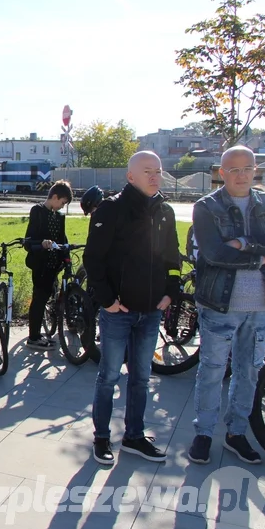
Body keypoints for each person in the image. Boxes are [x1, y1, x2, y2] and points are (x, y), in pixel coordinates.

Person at [83, 151, 180, 465]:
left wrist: (171, 293)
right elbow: (93, 259)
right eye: (147, 171)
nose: (155, 176)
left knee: (141, 378)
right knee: (108, 377)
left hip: (151, 312)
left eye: (158, 171)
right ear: (131, 177)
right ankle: (101, 438)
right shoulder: (111, 209)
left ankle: (134, 436)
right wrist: (108, 300)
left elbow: (173, 257)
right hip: (118, 313)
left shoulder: (164, 211)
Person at [188, 145, 265, 465]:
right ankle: (204, 432)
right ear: (221, 173)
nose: (241, 175)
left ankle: (236, 433)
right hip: (219, 305)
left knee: (249, 372)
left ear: (256, 170)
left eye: (247, 168)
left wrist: (243, 244)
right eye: (234, 170)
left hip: (262, 305)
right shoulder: (206, 207)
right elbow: (214, 254)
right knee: (211, 371)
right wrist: (263, 253)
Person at [24, 180, 73, 351]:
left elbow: (62, 238)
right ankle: (34, 337)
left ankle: (45, 332)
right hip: (41, 263)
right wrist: (41, 243)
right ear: (54, 197)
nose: (62, 206)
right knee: (39, 298)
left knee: (50, 295)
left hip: (54, 264)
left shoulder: (59, 217)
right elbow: (28, 240)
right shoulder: (37, 211)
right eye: (62, 202)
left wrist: (66, 254)